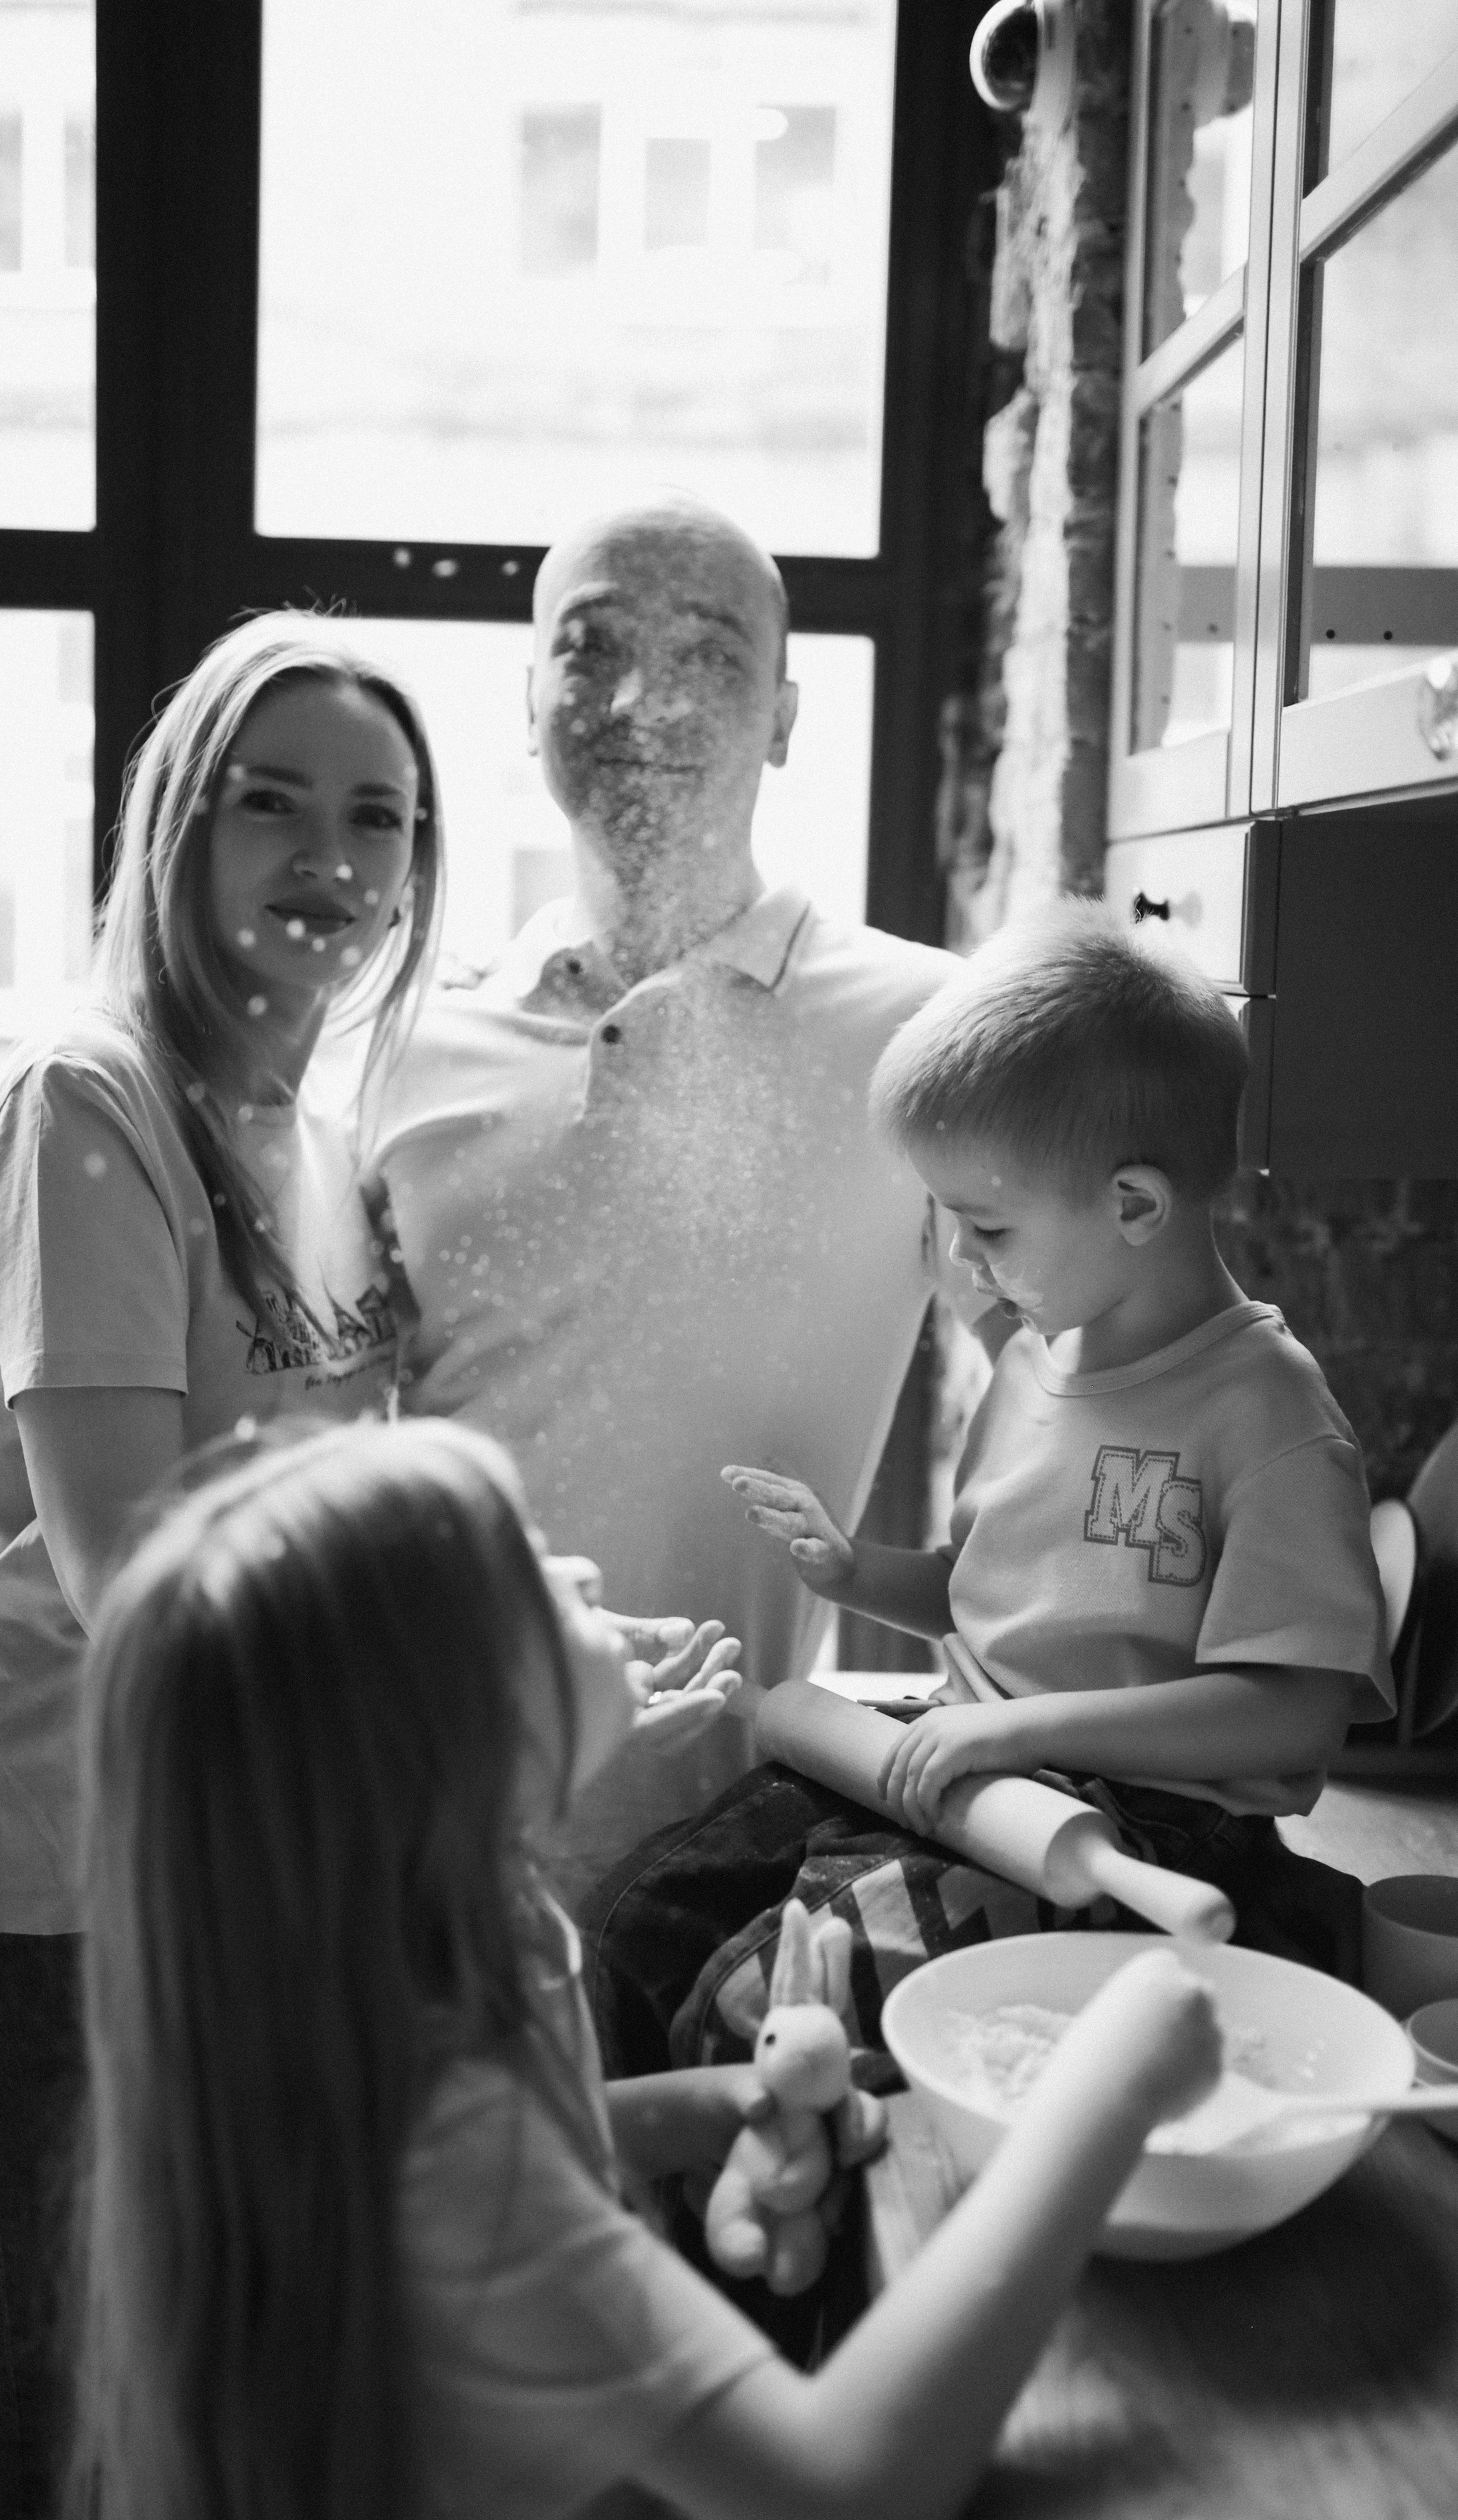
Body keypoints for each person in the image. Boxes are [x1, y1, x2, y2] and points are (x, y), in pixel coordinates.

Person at [0, 613, 731, 2520]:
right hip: (25, 1881)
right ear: (175, 823)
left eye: (381, 820)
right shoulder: (91, 1111)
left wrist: (539, 1603)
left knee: (177, 2431)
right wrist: (486, 1685)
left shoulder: (314, 1142)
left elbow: (315, 1509)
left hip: (202, 1864)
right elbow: (146, 1577)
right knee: (50, 2428)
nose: (330, 863)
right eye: (272, 806)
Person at [74, 1411, 1221, 2520]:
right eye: (524, 1565)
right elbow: (844, 2502)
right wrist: (1104, 2091)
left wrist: (712, 2111)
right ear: (458, 1746)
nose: (572, 1565)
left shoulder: (480, 1930)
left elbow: (536, 2138)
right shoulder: (457, 2163)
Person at [374, 492, 976, 1901]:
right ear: (529, 705)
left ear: (782, 716)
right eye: (589, 648)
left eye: (709, 653)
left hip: (720, 1871)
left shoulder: (931, 1033)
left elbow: (1081, 1376)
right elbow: (303, 1427)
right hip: (406, 1841)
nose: (642, 697)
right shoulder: (398, 1047)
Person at [727, 905, 1395, 1835]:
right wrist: (851, 1571)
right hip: (982, 1777)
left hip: (1152, 1834)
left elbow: (1295, 1717)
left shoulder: (1272, 1423)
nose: (959, 1256)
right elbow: (982, 1596)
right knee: (682, 1886)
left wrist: (1015, 1734)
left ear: (1133, 1205)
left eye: (989, 1226)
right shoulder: (1028, 1370)